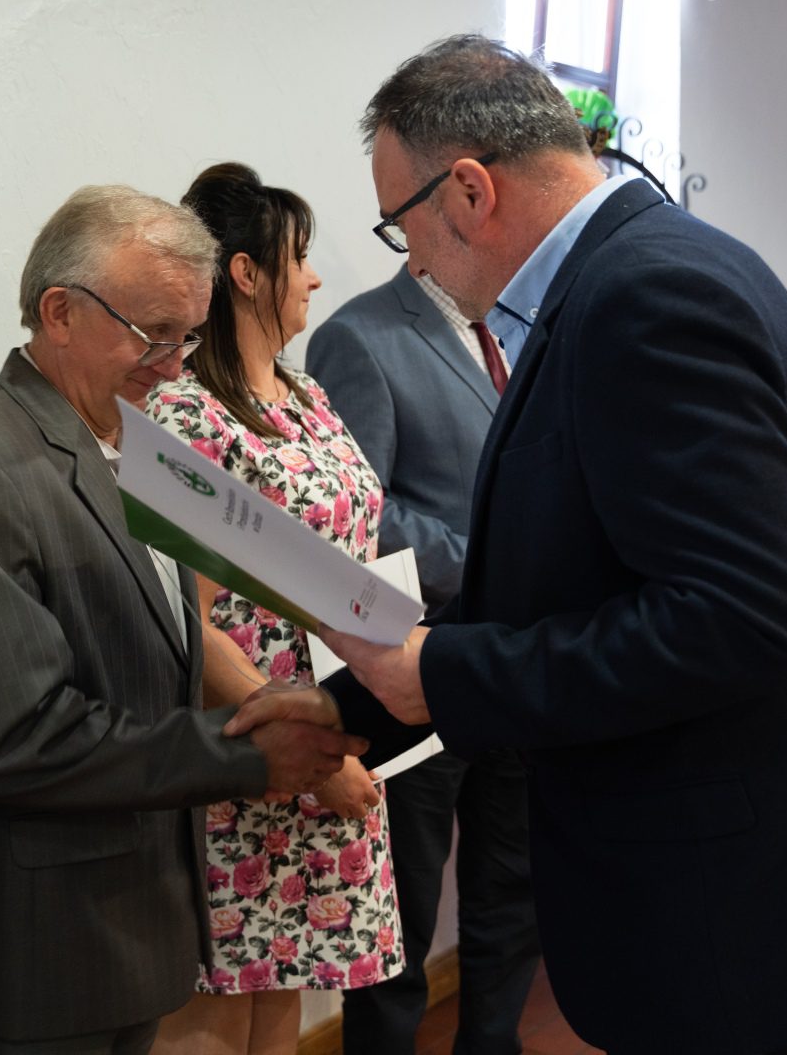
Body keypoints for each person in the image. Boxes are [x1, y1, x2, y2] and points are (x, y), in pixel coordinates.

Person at [228, 35, 787, 1055]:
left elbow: (747, 618)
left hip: (751, 922)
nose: (413, 260)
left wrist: (443, 674)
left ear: (469, 191)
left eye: (403, 225)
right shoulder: (623, 277)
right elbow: (568, 578)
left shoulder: (647, 295)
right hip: (733, 903)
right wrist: (354, 706)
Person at [0, 184, 364, 1055]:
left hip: (136, 910)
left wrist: (373, 661)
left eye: (187, 336)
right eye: (153, 335)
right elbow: (18, 738)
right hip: (43, 932)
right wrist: (243, 753)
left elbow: (214, 616)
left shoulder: (137, 443)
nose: (175, 366)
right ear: (59, 312)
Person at [146, 163, 404, 1054]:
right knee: (220, 1009)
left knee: (285, 994)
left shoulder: (307, 396)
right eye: (301, 258)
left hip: (331, 730)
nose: (316, 278)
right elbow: (185, 619)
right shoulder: (184, 415)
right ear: (248, 274)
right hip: (249, 751)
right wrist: (303, 749)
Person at [308, 260, 538, 1053]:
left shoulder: (527, 330)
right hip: (412, 664)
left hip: (518, 663)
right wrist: (490, 565)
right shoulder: (357, 336)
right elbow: (357, 510)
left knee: (512, 893)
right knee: (398, 909)